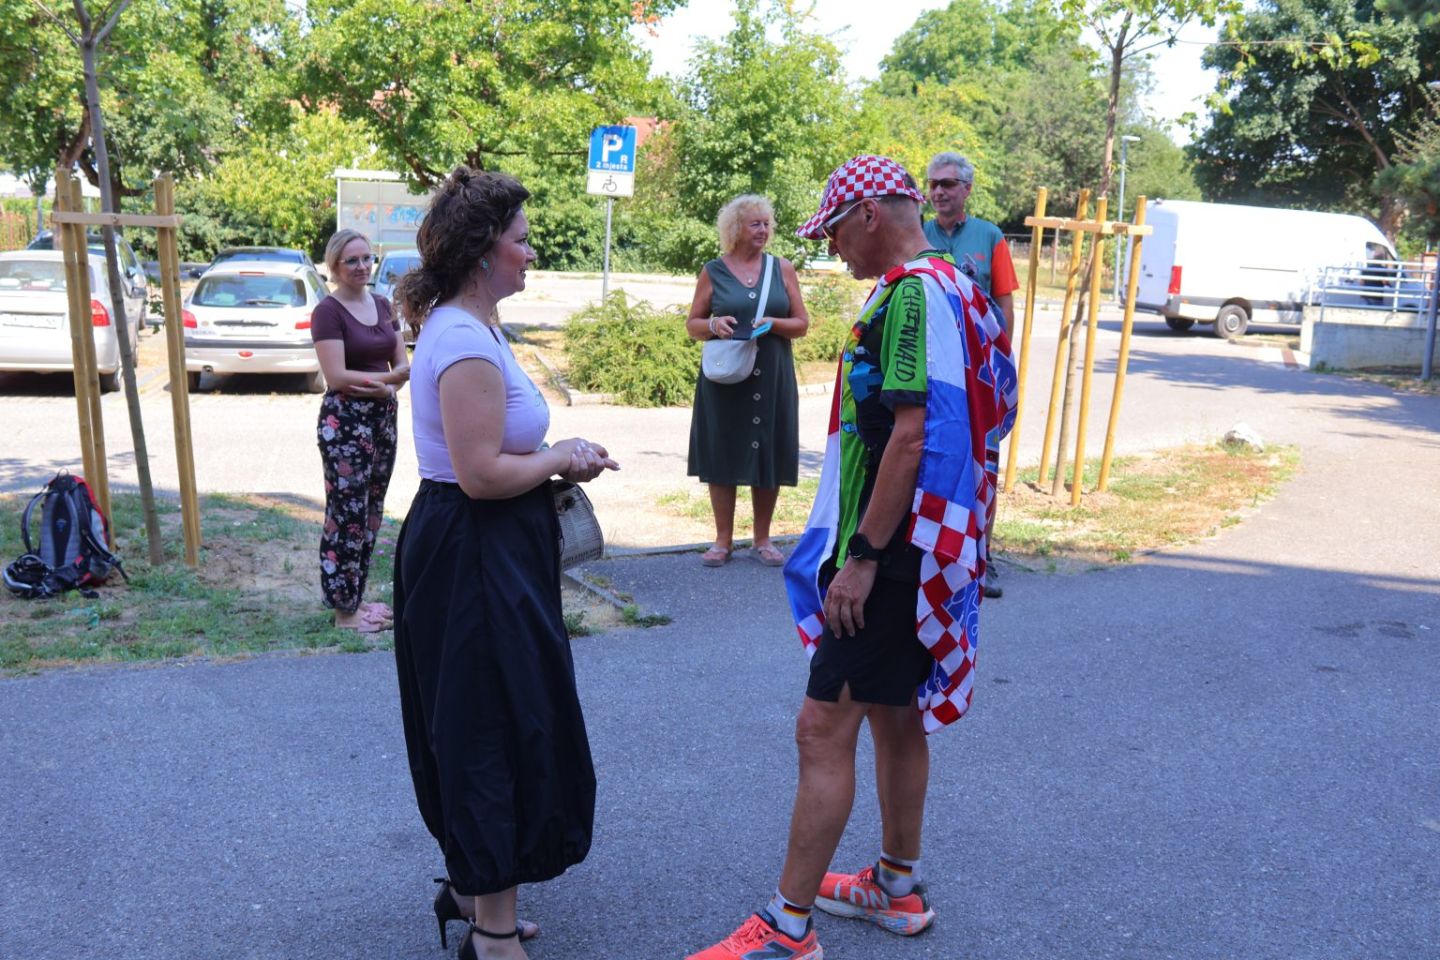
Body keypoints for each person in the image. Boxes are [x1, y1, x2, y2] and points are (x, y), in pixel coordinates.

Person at [686, 155, 1017, 960]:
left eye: (833, 230)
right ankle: (896, 888)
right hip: (932, 538)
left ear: (870, 213)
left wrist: (863, 557)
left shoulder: (909, 296)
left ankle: (786, 928)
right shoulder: (958, 286)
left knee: (821, 727)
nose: (831, 249)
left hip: (890, 545)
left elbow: (910, 431)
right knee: (898, 716)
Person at [390, 167, 618, 960]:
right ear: (485, 249)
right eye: (521, 240)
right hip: (471, 552)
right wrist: (559, 454)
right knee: (488, 728)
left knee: (508, 719)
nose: (531, 253)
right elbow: (481, 472)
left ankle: (475, 891)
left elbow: (494, 457)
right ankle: (490, 934)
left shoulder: (474, 329)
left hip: (492, 548)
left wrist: (561, 455)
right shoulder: (458, 335)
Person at [686, 194, 809, 568]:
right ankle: (722, 541)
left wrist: (773, 324)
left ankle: (763, 538)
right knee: (723, 450)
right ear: (735, 228)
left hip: (772, 374)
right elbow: (693, 324)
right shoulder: (713, 270)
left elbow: (801, 324)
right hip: (726, 378)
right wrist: (712, 325)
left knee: (766, 450)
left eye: (767, 223)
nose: (764, 229)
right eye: (755, 223)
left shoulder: (782, 268)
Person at [922, 151, 1019, 598]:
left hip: (978, 373)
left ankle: (983, 560)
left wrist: (1001, 366)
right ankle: (930, 555)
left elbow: (1004, 305)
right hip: (929, 370)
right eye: (933, 184)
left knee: (983, 462)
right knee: (928, 456)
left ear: (967, 189)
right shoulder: (916, 233)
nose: (939, 191)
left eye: (948, 184)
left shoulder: (989, 236)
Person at [311, 228, 410, 633]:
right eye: (351, 260)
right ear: (334, 266)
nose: (361, 266)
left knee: (371, 512)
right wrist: (383, 381)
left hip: (383, 417)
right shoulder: (328, 312)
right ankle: (343, 612)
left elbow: (401, 368)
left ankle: (356, 597)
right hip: (345, 423)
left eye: (367, 258)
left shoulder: (385, 305)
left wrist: (380, 383)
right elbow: (336, 377)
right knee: (346, 512)